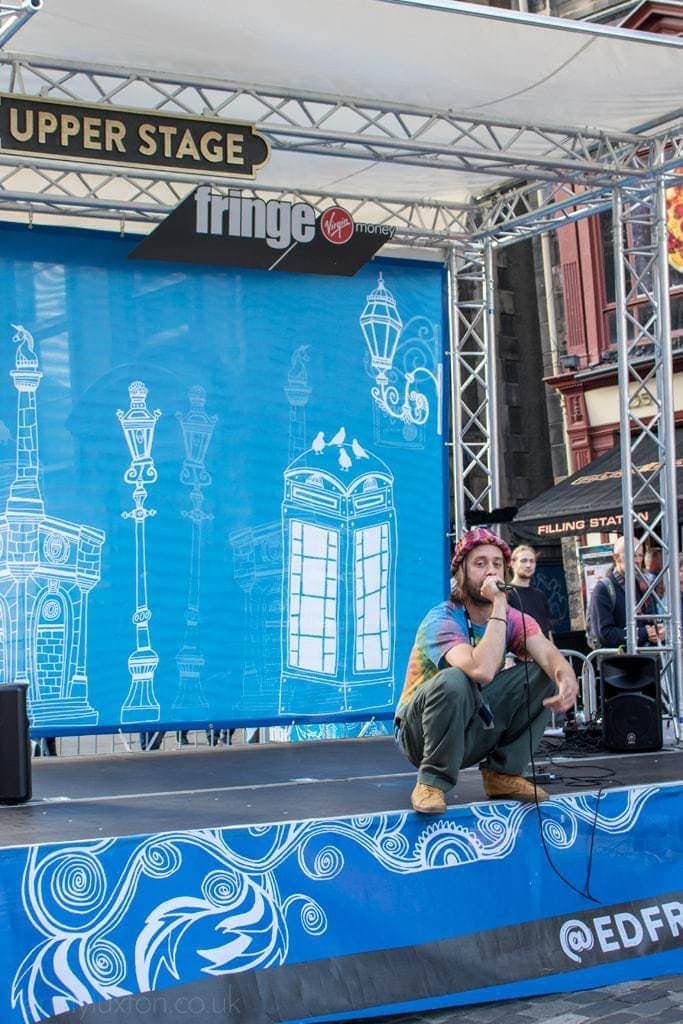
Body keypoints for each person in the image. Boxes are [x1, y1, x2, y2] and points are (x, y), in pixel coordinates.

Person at [394, 527, 579, 814]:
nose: (491, 572)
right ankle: (431, 782)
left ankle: (502, 775)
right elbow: (480, 670)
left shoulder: (515, 619)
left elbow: (548, 654)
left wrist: (566, 679)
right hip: (419, 733)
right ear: (461, 574)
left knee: (545, 673)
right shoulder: (442, 618)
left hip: (472, 727)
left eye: (497, 564)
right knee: (455, 679)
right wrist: (500, 603)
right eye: (480, 564)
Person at [587, 536, 664, 650]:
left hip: (648, 659)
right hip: (618, 663)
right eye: (632, 555)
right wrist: (643, 634)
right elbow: (605, 634)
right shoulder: (603, 589)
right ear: (616, 557)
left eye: (640, 555)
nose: (638, 560)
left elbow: (652, 620)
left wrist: (660, 631)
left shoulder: (643, 585)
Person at [509, 544, 553, 639]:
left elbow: (547, 629)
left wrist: (553, 650)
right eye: (523, 561)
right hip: (518, 652)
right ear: (512, 563)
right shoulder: (506, 593)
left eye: (532, 561)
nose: (528, 565)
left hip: (543, 651)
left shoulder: (540, 595)